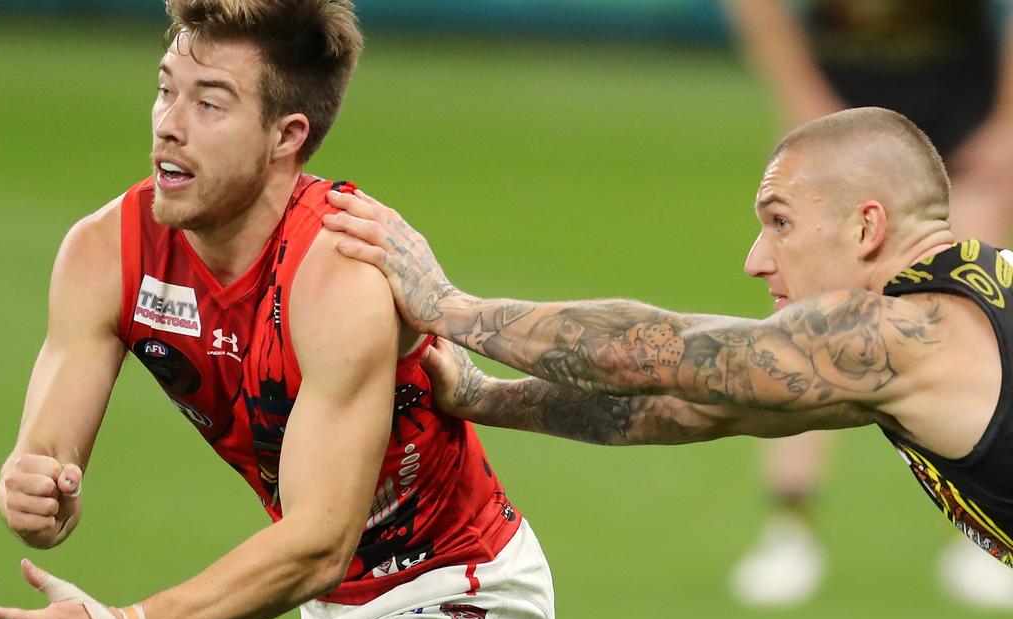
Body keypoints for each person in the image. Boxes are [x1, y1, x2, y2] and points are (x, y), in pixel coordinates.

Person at [0, 2, 554, 619]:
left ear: (285, 135)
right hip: (336, 608)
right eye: (165, 88)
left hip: (459, 585)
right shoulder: (105, 252)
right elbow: (44, 459)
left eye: (210, 103)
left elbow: (318, 543)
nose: (168, 123)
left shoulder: (339, 270)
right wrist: (32, 491)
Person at [327, 108, 1013, 589]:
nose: (756, 260)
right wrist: (484, 398)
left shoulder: (905, 336)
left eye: (780, 223)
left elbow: (656, 352)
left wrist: (447, 306)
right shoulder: (947, 315)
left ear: (866, 228)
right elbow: (686, 407)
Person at [721, 0, 1013, 607]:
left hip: (964, 90)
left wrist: (1009, 120)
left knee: (968, 302)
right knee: (799, 309)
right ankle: (788, 523)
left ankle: (983, 532)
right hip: (844, 92)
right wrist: (802, 97)